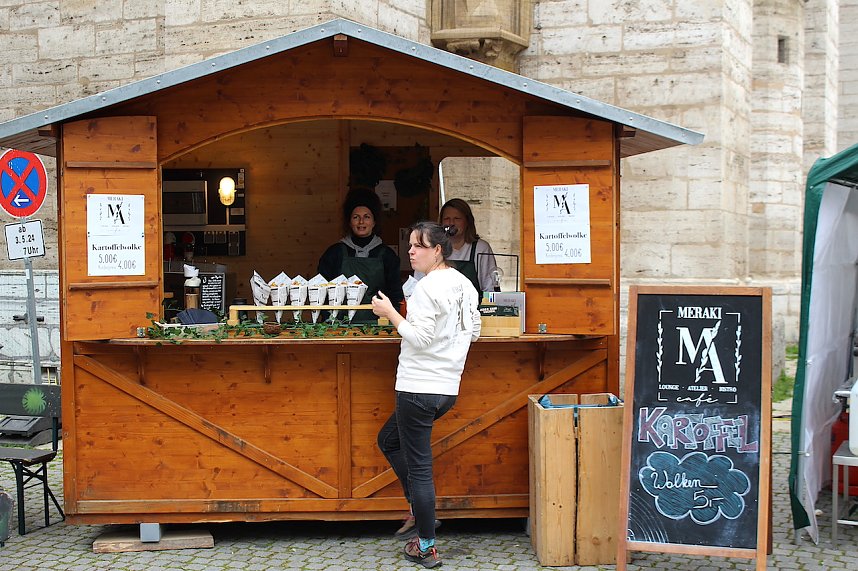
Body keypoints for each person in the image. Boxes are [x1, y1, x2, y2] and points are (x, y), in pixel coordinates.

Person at [371, 221, 482, 569]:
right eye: (410, 246)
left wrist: (390, 313)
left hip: (418, 388)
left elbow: (419, 338)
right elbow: (475, 331)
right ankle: (420, 510)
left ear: (438, 250)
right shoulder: (465, 285)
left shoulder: (426, 288)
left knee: (420, 469)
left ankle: (427, 545)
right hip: (446, 390)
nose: (411, 251)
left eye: (419, 246)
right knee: (388, 440)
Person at [317, 188, 403, 322]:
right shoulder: (334, 253)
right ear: (350, 222)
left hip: (377, 328)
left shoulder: (387, 256)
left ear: (374, 222)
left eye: (366, 217)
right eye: (356, 217)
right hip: (338, 327)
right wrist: (328, 320)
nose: (361, 222)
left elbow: (395, 294)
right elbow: (321, 292)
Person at [413, 198, 499, 295]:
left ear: (467, 222)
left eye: (457, 219)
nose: (451, 223)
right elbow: (418, 284)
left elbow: (489, 287)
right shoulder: (432, 248)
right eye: (447, 219)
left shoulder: (480, 248)